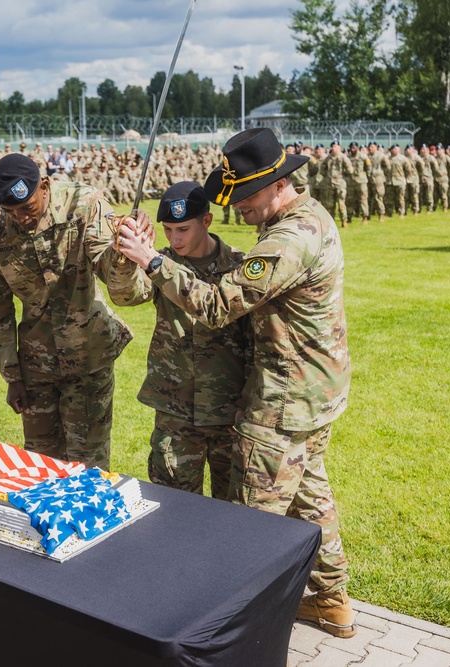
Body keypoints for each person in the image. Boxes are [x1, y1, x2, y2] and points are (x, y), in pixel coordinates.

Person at [116, 128, 356, 638]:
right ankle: (332, 602)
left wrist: (153, 260)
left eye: (244, 196)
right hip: (316, 393)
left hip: (283, 399)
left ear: (277, 184)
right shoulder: (310, 217)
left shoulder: (287, 239)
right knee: (310, 498)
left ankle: (236, 635)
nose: (237, 209)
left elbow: (219, 305)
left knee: (248, 524)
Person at [0, 153, 133, 470]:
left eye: (27, 207)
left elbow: (111, 271)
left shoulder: (83, 205)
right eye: (10, 211)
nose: (20, 218)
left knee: (88, 467)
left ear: (44, 187)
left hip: (88, 358)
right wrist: (12, 376)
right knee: (41, 466)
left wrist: (123, 255)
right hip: (36, 367)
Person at [108, 182, 251, 499]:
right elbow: (126, 295)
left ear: (207, 221)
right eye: (168, 229)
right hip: (176, 413)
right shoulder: (158, 262)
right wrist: (124, 254)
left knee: (235, 512)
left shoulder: (238, 266)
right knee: (174, 505)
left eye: (183, 229)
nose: (175, 239)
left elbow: (256, 342)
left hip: (230, 410)